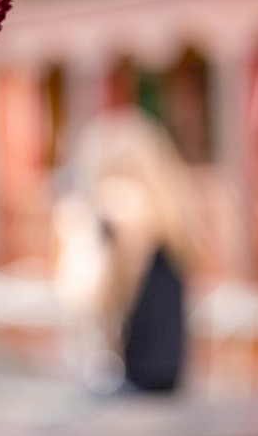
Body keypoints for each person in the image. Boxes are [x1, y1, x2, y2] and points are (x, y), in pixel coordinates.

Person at [53, 108, 191, 393]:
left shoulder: (118, 209)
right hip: (157, 367)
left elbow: (84, 294)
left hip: (135, 368)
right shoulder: (168, 213)